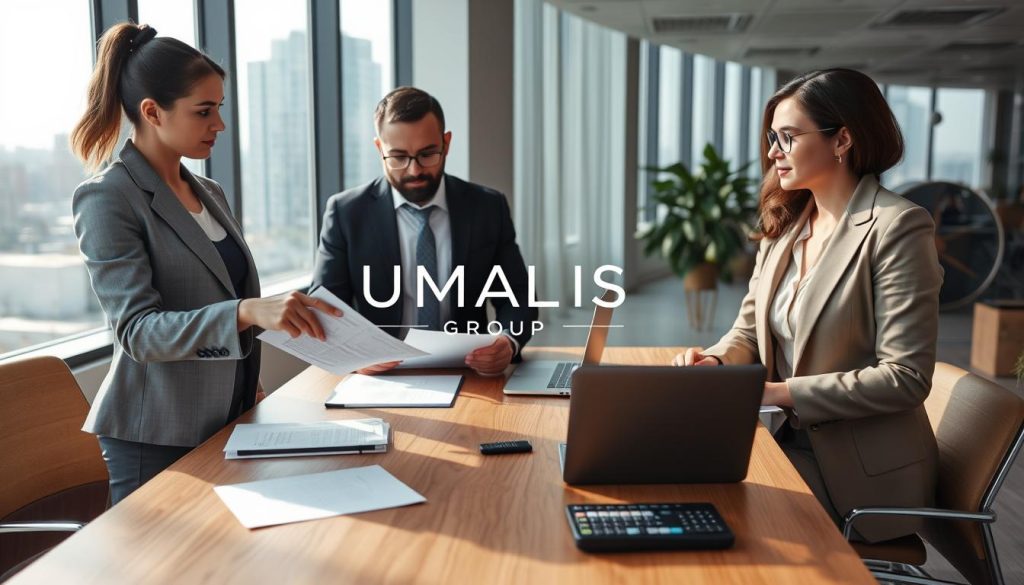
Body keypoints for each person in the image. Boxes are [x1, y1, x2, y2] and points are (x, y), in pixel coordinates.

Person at [70, 23, 340, 504]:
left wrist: (248, 380)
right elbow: (138, 332)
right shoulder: (108, 198)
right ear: (152, 112)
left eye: (220, 109)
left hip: (229, 415)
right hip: (156, 433)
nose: (219, 125)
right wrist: (246, 311)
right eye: (204, 111)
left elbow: (219, 289)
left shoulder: (208, 192)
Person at [672, 69, 943, 543]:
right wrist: (716, 361)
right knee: (674, 479)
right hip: (787, 443)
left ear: (842, 139)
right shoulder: (787, 224)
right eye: (773, 137)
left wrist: (778, 392)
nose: (774, 150)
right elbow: (747, 331)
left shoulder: (898, 227)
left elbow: (906, 377)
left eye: (788, 137)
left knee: (711, 512)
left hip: (862, 477)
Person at [312, 87, 537, 376]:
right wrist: (355, 355)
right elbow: (325, 306)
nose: (414, 170)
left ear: (446, 143)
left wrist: (508, 341)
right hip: (381, 376)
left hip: (468, 371)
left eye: (427, 154)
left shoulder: (487, 207)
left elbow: (519, 297)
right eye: (398, 157)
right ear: (380, 148)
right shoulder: (346, 212)